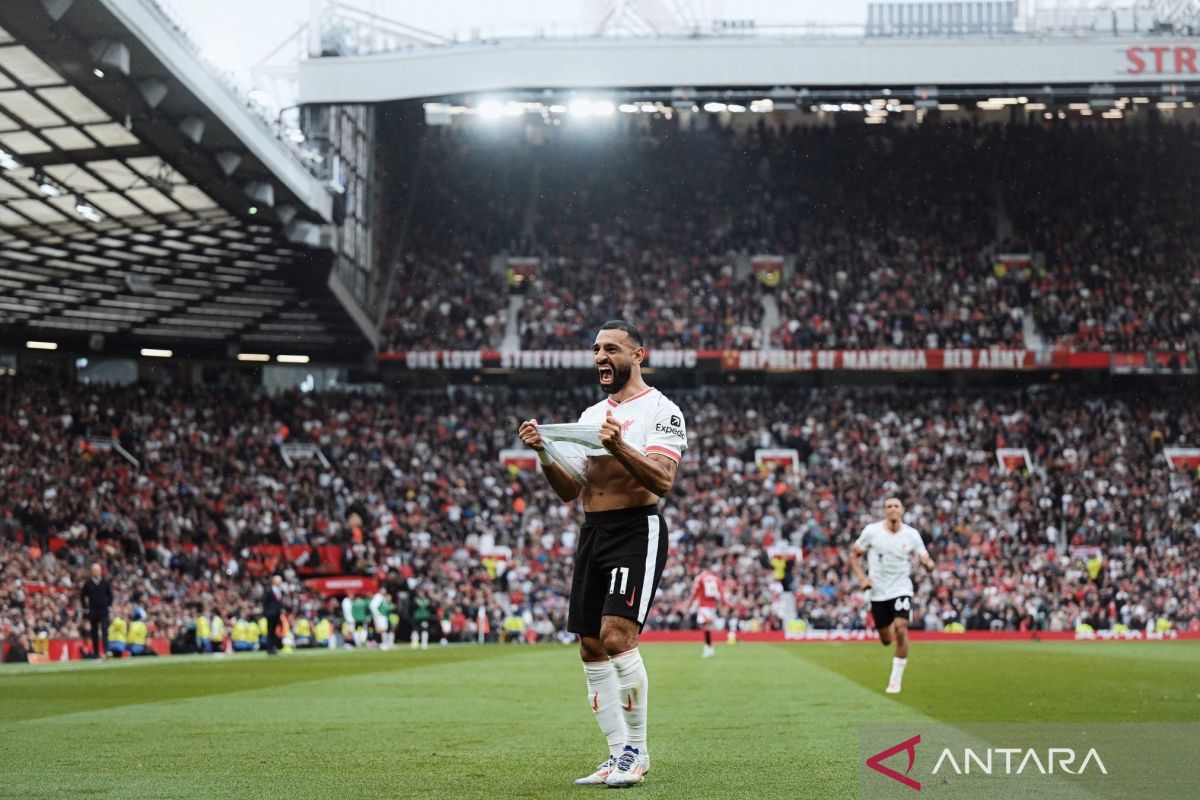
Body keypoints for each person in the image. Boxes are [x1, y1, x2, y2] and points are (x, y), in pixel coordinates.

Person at [518, 320, 687, 788]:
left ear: (637, 354)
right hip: (593, 531)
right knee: (590, 643)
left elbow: (663, 482)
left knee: (616, 636)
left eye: (611, 348)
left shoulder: (662, 410)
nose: (600, 357)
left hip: (637, 528)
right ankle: (616, 755)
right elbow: (571, 491)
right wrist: (545, 454)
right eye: (595, 349)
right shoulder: (591, 414)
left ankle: (637, 751)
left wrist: (619, 444)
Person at [849, 496, 936, 694]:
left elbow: (925, 558)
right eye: (889, 506)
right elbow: (854, 555)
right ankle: (893, 637)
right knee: (887, 639)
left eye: (896, 506)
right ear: (884, 511)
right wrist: (862, 578)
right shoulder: (872, 532)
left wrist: (929, 565)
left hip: (901, 589)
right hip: (878, 592)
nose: (892, 509)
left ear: (902, 510)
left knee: (901, 627)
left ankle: (895, 680)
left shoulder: (912, 535)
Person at [688, 565, 727, 658]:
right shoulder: (716, 579)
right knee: (706, 626)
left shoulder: (700, 578)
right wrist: (724, 604)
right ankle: (709, 646)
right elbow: (721, 592)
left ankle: (708, 648)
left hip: (704, 605)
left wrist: (690, 603)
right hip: (713, 606)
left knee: (705, 626)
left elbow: (695, 591)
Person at [80, 563, 113, 661]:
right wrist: (86, 608)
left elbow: (110, 595)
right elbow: (82, 596)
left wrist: (109, 606)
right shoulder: (88, 584)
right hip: (93, 611)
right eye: (94, 570)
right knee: (94, 632)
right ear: (91, 572)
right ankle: (96, 653)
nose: (96, 572)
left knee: (104, 630)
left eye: (98, 570)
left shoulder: (105, 582)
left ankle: (106, 651)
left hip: (103, 610)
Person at [262, 575, 284, 656]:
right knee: (270, 631)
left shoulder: (280, 591)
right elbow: (265, 602)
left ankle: (274, 646)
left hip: (277, 614)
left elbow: (280, 603)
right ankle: (270, 647)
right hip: (270, 614)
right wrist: (266, 613)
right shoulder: (268, 590)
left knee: (275, 631)